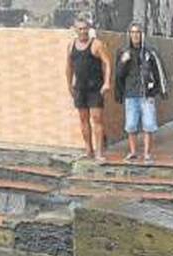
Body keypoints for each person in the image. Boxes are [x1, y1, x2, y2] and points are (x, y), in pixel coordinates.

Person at [114, 22, 168, 163]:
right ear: (129, 35)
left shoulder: (150, 52)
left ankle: (147, 154)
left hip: (146, 94)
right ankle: (132, 152)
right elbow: (118, 74)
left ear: (142, 34)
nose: (135, 35)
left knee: (148, 125)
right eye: (132, 32)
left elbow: (159, 71)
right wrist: (123, 62)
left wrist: (161, 90)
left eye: (137, 32)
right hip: (130, 93)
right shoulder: (123, 52)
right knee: (131, 125)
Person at [65, 17, 112, 163]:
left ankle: (99, 152)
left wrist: (106, 83)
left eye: (85, 28)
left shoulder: (96, 44)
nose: (83, 31)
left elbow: (108, 63)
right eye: (80, 29)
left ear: (88, 29)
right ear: (75, 30)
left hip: (94, 88)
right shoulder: (71, 45)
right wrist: (69, 85)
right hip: (80, 88)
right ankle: (88, 150)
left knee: (97, 119)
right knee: (83, 119)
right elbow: (68, 67)